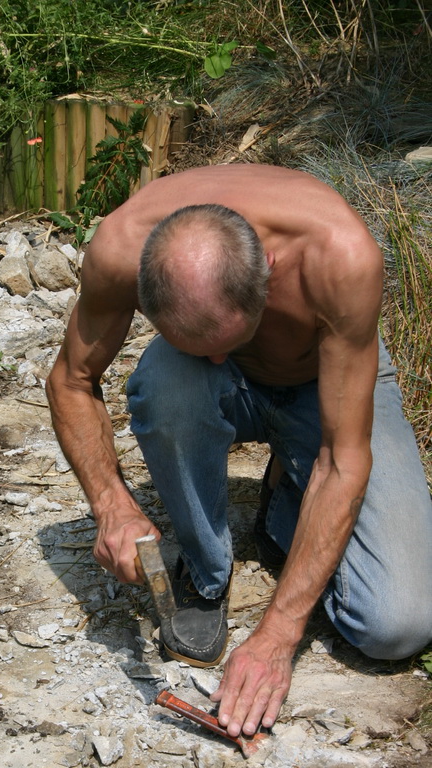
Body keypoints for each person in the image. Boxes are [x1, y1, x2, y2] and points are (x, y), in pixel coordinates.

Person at [45, 164, 432, 738]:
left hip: (325, 385)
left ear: (268, 273)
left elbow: (343, 459)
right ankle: (206, 571)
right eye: (203, 347)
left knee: (398, 624)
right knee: (167, 381)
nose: (219, 359)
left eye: (231, 340)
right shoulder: (122, 246)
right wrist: (111, 505)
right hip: (202, 386)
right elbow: (71, 380)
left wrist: (278, 633)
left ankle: (286, 491)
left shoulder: (340, 256)